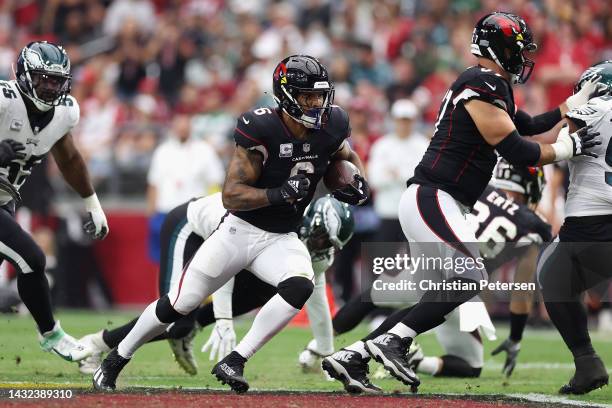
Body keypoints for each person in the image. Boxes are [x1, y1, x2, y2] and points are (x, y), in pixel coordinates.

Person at [322, 12, 602, 394]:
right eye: (517, 50)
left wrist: (568, 106)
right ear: (498, 49)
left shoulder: (489, 83)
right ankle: (391, 341)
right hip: (434, 197)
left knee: (429, 302)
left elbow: (530, 125)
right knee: (470, 278)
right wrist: (568, 146)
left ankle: (353, 356)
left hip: (438, 200)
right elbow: (518, 150)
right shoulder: (481, 82)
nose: (522, 58)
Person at [93, 55, 369, 393]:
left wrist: (356, 182)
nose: (316, 103)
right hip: (238, 231)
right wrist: (279, 193)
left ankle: (236, 359)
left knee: (300, 285)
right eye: (306, 96)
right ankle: (116, 358)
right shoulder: (261, 127)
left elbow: (345, 156)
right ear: (285, 95)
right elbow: (232, 195)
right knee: (180, 304)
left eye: (319, 95)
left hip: (281, 237)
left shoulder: (332, 124)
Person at [78, 194, 353, 376]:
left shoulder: (307, 248)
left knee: (279, 287)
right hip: (193, 228)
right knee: (175, 316)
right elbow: (228, 258)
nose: (324, 248)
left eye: (330, 244)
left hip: (231, 244)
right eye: (323, 239)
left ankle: (191, 327)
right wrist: (223, 320)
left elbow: (314, 294)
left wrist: (326, 352)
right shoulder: (277, 216)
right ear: (311, 224)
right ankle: (95, 344)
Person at [332, 159, 551, 381]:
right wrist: (515, 338)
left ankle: (320, 346)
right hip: (464, 287)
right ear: (533, 186)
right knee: (470, 364)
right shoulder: (535, 226)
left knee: (372, 296)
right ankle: (361, 354)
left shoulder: (477, 187)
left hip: (431, 259)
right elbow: (522, 293)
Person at [0, 41, 108, 362]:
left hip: (4, 201)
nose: (49, 87)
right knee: (31, 258)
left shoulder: (64, 113)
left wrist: (92, 202)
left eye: (56, 81)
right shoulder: (4, 100)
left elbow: (70, 159)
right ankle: (52, 335)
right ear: (22, 75)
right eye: (42, 79)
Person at [537, 60, 612, 395]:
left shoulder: (593, 107)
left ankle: (586, 362)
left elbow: (556, 141)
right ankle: (588, 366)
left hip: (591, 221)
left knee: (552, 277)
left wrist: (577, 103)